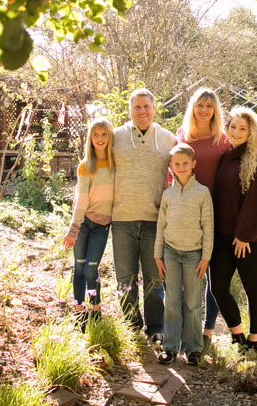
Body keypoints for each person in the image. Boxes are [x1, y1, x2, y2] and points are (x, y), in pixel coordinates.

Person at [111, 88, 177, 344]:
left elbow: (181, 175)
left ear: (154, 108)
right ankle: (130, 325)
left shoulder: (168, 139)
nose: (142, 111)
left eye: (146, 107)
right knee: (125, 278)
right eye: (136, 107)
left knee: (154, 278)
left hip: (154, 221)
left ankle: (155, 327)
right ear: (130, 110)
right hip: (122, 219)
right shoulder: (115, 137)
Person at [209, 106, 257, 352]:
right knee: (218, 288)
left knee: (252, 288)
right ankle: (237, 335)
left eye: (242, 128)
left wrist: (244, 235)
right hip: (222, 237)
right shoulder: (226, 155)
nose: (235, 131)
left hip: (247, 238)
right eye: (232, 126)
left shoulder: (255, 161)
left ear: (251, 132)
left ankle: (253, 341)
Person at [176, 87, 230, 345]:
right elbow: (172, 172)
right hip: (187, 212)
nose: (204, 110)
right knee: (187, 271)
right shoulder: (182, 136)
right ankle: (186, 325)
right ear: (193, 107)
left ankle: (207, 329)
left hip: (217, 212)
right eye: (200, 105)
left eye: (209, 106)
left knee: (212, 274)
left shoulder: (223, 139)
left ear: (215, 110)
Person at [154, 143, 213, 366]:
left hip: (194, 255)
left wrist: (205, 257)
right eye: (176, 164)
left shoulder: (202, 193)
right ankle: (170, 348)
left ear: (193, 164)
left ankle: (193, 348)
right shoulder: (168, 194)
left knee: (192, 303)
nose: (181, 167)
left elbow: (208, 227)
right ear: (170, 166)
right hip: (170, 253)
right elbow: (160, 226)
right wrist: (157, 256)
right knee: (171, 301)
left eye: (185, 163)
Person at [62, 118, 115, 330]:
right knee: (80, 267)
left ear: (110, 137)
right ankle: (78, 311)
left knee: (92, 269)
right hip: (83, 224)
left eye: (104, 135)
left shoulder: (114, 164)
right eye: (96, 135)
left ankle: (95, 310)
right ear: (90, 139)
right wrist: (73, 230)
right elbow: (81, 200)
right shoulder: (86, 166)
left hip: (102, 226)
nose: (100, 139)